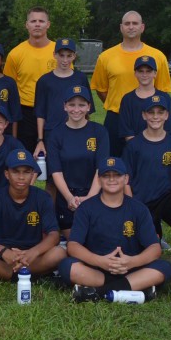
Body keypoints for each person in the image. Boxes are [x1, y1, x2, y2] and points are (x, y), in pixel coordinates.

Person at [60, 157, 171, 303]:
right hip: (97, 269)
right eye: (106, 175)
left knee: (165, 268)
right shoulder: (86, 208)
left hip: (131, 269)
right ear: (99, 180)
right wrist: (100, 261)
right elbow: (73, 246)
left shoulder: (139, 209)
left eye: (117, 175)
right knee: (66, 267)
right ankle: (136, 288)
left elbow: (155, 248)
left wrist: (132, 262)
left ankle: (98, 293)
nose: (111, 179)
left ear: (126, 179)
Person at [0, 149, 65, 282]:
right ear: (7, 174)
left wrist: (33, 252)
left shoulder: (43, 198)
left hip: (33, 255)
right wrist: (4, 252)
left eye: (26, 172)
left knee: (59, 253)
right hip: (3, 256)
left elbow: (54, 236)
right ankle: (27, 274)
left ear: (32, 175)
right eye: (16, 171)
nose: (21, 177)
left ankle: (7, 274)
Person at [90, 10, 171, 156]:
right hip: (116, 118)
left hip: (148, 118)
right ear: (121, 27)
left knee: (147, 161)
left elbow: (162, 91)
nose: (131, 27)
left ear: (142, 27)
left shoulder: (158, 56)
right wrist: (118, 105)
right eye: (127, 23)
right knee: (113, 165)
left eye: (135, 23)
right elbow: (101, 89)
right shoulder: (106, 56)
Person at [122, 93, 171, 243]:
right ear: (144, 115)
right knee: (150, 243)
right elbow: (125, 181)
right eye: (151, 112)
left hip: (165, 198)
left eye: (160, 112)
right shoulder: (133, 145)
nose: (155, 117)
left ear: (167, 115)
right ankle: (153, 234)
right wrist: (131, 206)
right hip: (140, 200)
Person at [44, 87, 110, 239]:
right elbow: (56, 171)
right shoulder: (56, 134)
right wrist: (69, 198)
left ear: (89, 107)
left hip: (95, 194)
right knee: (76, 240)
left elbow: (101, 169)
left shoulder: (99, 132)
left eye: (81, 105)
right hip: (68, 198)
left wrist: (90, 198)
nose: (76, 109)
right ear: (65, 106)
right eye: (72, 104)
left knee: (97, 239)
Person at [4, 7, 56, 153]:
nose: (37, 24)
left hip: (52, 111)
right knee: (23, 159)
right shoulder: (16, 54)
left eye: (41, 21)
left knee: (54, 158)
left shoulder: (58, 53)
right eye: (33, 21)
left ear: (48, 24)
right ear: (27, 25)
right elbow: (9, 88)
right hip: (25, 113)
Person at [33, 37, 93, 154]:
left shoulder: (80, 78)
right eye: (61, 55)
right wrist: (40, 139)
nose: (65, 60)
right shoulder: (44, 81)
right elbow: (40, 113)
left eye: (69, 55)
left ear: (74, 56)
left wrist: (86, 132)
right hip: (52, 131)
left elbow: (86, 110)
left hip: (76, 131)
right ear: (54, 55)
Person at [118, 55, 171, 141]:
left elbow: (169, 130)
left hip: (160, 149)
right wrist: (142, 149)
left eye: (148, 71)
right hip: (134, 149)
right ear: (135, 74)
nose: (144, 75)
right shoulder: (127, 99)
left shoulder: (165, 98)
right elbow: (127, 132)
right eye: (141, 71)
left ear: (155, 73)